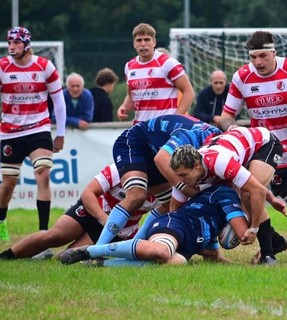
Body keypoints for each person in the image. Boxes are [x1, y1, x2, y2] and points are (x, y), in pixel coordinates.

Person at [220, 30, 287, 246]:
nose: (257, 62)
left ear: (274, 53)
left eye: (263, 56)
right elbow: (227, 116)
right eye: (253, 57)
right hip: (274, 154)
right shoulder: (241, 77)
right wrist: (232, 128)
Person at [94, 114, 223, 247]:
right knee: (136, 196)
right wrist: (183, 187)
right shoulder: (192, 135)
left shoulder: (217, 146)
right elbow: (161, 159)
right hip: (135, 143)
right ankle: (96, 250)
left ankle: (134, 246)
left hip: (156, 151)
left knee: (171, 206)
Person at [169, 126, 287, 265]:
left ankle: (268, 255)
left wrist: (254, 228)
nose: (181, 181)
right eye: (178, 176)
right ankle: (277, 241)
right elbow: (175, 212)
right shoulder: (190, 174)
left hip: (264, 143)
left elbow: (257, 190)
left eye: (183, 175)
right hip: (234, 151)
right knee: (238, 197)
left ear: (196, 166)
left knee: (247, 195)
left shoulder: (220, 162)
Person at [60, 184, 250, 267]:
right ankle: (91, 251)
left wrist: (246, 266)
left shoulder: (214, 226)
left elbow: (214, 258)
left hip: (186, 245)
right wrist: (253, 229)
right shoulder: (226, 193)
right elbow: (241, 231)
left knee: (172, 264)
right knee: (161, 252)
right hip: (174, 224)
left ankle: (103, 264)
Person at [0, 163, 158, 260]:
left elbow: (165, 213)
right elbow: (87, 193)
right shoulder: (120, 169)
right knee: (55, 236)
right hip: (93, 210)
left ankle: (48, 257)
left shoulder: (162, 188)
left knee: (69, 257)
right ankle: (7, 256)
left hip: (118, 230)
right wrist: (104, 219)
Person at [0, 26, 66, 240]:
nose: (11, 47)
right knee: (8, 184)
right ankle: (1, 223)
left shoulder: (45, 66)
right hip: (10, 132)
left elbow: (59, 101)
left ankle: (43, 233)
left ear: (26, 45)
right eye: (9, 43)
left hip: (39, 128)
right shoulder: (2, 67)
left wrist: (61, 133)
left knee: (43, 174)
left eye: (16, 43)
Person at [116, 23, 195, 124]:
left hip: (163, 127)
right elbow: (131, 96)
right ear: (134, 44)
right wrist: (123, 107)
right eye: (139, 40)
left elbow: (189, 92)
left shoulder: (168, 63)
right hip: (141, 127)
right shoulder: (129, 66)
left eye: (147, 39)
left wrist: (175, 118)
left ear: (154, 42)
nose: (143, 44)